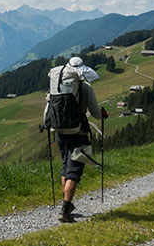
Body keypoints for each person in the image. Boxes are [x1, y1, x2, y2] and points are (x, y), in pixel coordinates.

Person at [43, 56, 108, 222]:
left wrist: (46, 125)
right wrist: (103, 115)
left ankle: (66, 204)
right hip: (79, 132)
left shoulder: (56, 86)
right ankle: (65, 209)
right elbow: (95, 112)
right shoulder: (84, 86)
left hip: (59, 132)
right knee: (75, 170)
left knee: (66, 167)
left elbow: (47, 110)